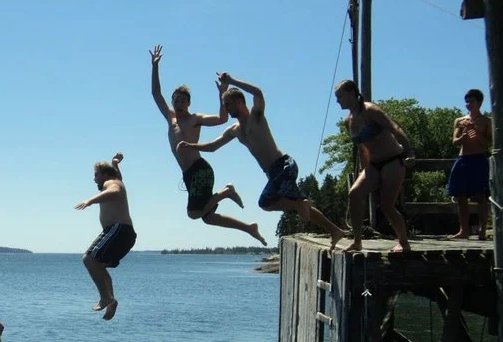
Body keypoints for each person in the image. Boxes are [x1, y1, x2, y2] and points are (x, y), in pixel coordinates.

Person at [178, 72, 346, 250]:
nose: (225, 109)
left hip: (284, 165)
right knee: (281, 204)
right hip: (273, 173)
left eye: (228, 105)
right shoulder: (234, 130)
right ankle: (334, 230)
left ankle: (300, 204)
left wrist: (233, 81)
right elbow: (213, 146)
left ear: (239, 102)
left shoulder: (256, 116)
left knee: (267, 202)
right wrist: (191, 146)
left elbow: (258, 93)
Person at [149, 45, 266, 245]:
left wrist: (222, 94)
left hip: (200, 170)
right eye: (176, 100)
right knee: (208, 217)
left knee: (193, 214)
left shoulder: (196, 119)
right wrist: (155, 67)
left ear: (189, 103)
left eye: (183, 100)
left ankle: (226, 192)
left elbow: (222, 119)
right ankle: (249, 228)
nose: (179, 103)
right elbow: (155, 93)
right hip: (188, 174)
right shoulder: (171, 119)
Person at [333, 80, 415, 252]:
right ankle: (357, 241)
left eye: (340, 96)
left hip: (393, 159)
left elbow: (394, 128)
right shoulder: (348, 121)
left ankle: (404, 242)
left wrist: (409, 152)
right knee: (354, 194)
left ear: (351, 93)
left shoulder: (370, 110)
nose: (338, 101)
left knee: (387, 206)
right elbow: (362, 148)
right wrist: (365, 170)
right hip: (374, 164)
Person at [75, 152, 137, 320]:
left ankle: (106, 297)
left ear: (105, 174)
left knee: (89, 259)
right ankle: (110, 301)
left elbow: (115, 190)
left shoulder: (111, 183)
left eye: (96, 175)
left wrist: (90, 201)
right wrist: (115, 163)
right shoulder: (117, 179)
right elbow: (119, 179)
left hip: (118, 230)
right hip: (121, 232)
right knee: (97, 264)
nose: (94, 179)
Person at [447, 88, 492, 240]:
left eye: (471, 101)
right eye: (467, 101)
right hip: (463, 159)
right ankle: (463, 231)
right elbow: (455, 142)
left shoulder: (487, 121)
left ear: (479, 102)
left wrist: (476, 132)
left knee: (481, 197)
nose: (468, 104)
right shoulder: (460, 121)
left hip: (478, 159)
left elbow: (487, 144)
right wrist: (464, 136)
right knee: (460, 196)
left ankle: (482, 231)